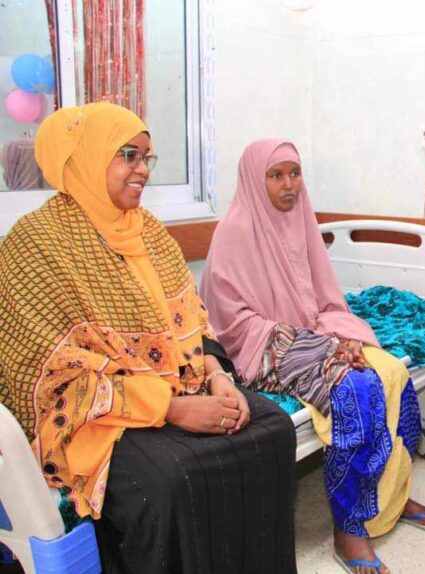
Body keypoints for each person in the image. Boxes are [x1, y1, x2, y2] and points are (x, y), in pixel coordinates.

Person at [0, 103, 298, 574]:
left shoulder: (150, 232)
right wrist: (171, 409)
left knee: (273, 429)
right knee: (171, 479)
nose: (142, 170)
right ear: (86, 156)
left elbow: (195, 321)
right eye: (128, 155)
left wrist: (219, 378)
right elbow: (48, 376)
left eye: (146, 157)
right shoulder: (35, 243)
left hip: (182, 383)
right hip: (96, 417)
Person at [199, 138, 425, 574]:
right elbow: (230, 321)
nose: (289, 185)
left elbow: (323, 299)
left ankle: (392, 495)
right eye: (276, 175)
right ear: (254, 179)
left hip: (309, 330)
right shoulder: (235, 230)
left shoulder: (301, 220)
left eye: (295, 173)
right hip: (259, 343)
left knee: (393, 372)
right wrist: (324, 346)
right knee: (356, 388)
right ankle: (348, 528)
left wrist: (341, 336)